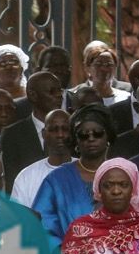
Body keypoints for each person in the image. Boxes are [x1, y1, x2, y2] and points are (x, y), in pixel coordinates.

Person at [31, 104, 115, 244]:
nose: (91, 138)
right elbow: (40, 227)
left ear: (108, 137)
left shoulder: (122, 174)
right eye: (83, 135)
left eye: (98, 133)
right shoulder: (57, 180)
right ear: (76, 140)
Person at [0, 71, 63, 192]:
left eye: (60, 90)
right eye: (52, 91)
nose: (59, 95)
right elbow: (10, 180)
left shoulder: (70, 130)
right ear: (33, 95)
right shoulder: (12, 135)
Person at [11, 109, 70, 207]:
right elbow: (18, 218)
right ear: (43, 134)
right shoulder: (26, 177)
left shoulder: (85, 172)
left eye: (65, 129)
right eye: (54, 129)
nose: (60, 135)